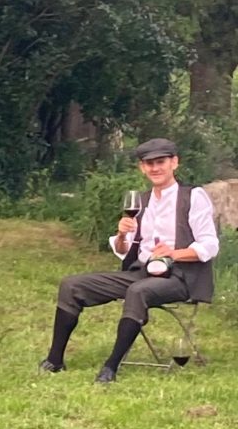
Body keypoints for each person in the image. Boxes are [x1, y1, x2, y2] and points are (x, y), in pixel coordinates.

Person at [39, 138, 219, 383]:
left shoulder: (193, 197)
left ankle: (111, 367)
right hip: (141, 271)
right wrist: (123, 233)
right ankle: (54, 360)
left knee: (137, 291)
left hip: (181, 276)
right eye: (149, 163)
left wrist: (173, 253)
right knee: (72, 285)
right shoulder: (140, 201)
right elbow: (124, 251)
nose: (155, 168)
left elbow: (210, 245)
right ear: (142, 168)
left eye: (161, 162)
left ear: (174, 163)